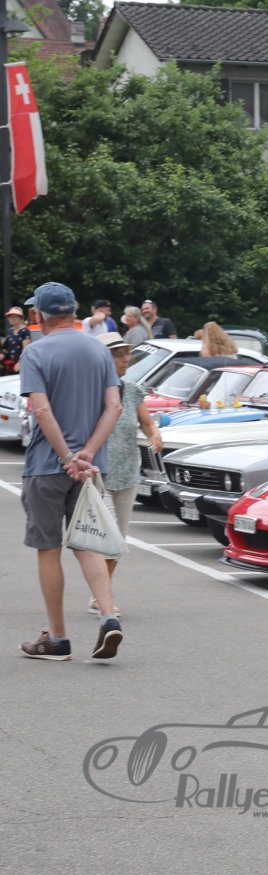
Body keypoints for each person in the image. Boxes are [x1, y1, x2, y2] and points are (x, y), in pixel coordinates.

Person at [17, 281, 125, 662]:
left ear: (39, 315)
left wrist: (66, 456)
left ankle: (58, 638)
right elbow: (114, 407)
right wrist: (88, 453)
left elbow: (41, 410)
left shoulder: (36, 352)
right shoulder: (99, 351)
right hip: (91, 468)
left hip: (47, 466)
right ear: (74, 310)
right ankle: (109, 616)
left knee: (48, 548)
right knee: (87, 543)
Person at [97, 332, 161, 611]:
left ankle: (100, 594)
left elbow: (146, 422)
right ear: (103, 360)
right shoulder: (91, 392)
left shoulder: (132, 390)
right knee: (107, 536)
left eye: (126, 354)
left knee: (119, 539)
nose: (126, 359)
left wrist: (154, 434)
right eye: (119, 355)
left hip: (127, 473)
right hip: (98, 474)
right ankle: (103, 598)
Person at [3, 306, 30, 373]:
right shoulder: (10, 331)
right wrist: (2, 354)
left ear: (20, 318)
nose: (11, 319)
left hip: (21, 365)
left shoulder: (25, 331)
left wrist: (20, 362)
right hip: (10, 364)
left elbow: (26, 350)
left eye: (14, 317)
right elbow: (6, 348)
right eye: (9, 317)